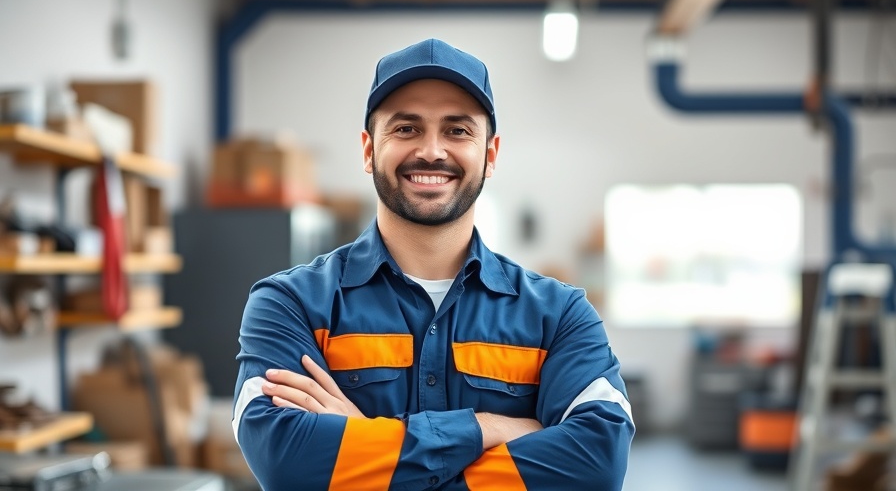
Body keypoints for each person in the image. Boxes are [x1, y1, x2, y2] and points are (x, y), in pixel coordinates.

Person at [232, 38, 634, 490]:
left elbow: (598, 462)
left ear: (490, 154)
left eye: (457, 131)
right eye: (406, 128)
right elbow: (286, 461)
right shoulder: (290, 305)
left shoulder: (559, 315)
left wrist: (364, 444)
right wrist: (491, 428)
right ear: (368, 150)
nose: (432, 151)